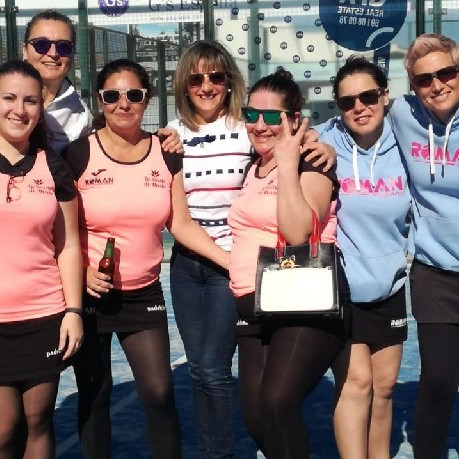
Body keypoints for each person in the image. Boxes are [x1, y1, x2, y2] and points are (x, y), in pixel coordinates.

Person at [64, 58, 230, 459]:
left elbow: (182, 224)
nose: (123, 104)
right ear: (100, 100)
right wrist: (82, 271)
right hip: (90, 294)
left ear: (147, 99)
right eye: (112, 95)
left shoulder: (167, 153)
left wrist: (231, 262)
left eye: (134, 95)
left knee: (158, 393)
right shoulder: (78, 154)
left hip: (144, 294)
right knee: (96, 393)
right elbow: (60, 231)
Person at [227, 68, 345, 458]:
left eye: (272, 116)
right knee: (256, 418)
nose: (260, 125)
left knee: (277, 404)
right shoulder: (253, 165)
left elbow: (298, 233)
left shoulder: (313, 161)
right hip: (253, 306)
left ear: (294, 119)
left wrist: (289, 160)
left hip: (302, 303)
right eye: (251, 114)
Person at [314, 56, 411, 459]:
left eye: (368, 96)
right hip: (343, 289)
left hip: (390, 284)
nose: (359, 107)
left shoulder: (407, 142)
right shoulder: (325, 139)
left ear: (385, 96)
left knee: (384, 388)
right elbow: (272, 135)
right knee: (357, 384)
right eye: (347, 101)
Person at [167, 40, 251, 458]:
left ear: (229, 81)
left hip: (228, 265)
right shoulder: (171, 136)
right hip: (186, 266)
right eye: (195, 78)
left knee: (215, 370)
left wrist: (320, 144)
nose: (206, 86)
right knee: (199, 370)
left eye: (215, 76)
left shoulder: (248, 129)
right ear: (184, 85)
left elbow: (297, 137)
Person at [0, 60, 83, 458]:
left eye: (30, 101)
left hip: (43, 314)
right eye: (9, 98)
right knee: (3, 429)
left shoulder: (53, 166)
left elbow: (68, 246)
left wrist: (74, 311)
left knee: (37, 422)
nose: (20, 109)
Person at [388, 33, 459, 459]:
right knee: (437, 381)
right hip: (435, 270)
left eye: (446, 73)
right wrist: (318, 142)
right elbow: (352, 127)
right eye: (424, 79)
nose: (437, 85)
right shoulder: (403, 113)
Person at [23, 10, 92, 154]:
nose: (53, 53)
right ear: (25, 51)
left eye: (64, 47)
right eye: (41, 44)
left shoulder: (81, 116)